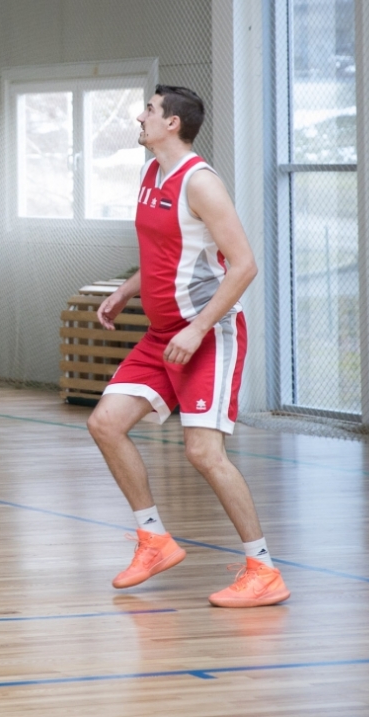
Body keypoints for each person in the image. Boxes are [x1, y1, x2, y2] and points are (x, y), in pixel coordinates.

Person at [87, 86, 288, 607]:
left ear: (172, 123)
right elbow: (159, 248)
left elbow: (243, 264)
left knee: (203, 452)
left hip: (207, 335)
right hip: (161, 336)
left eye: (150, 110)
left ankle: (263, 569)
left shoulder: (200, 184)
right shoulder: (149, 173)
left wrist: (197, 328)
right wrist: (126, 291)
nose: (141, 115)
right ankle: (153, 539)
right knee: (105, 424)